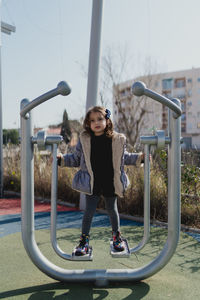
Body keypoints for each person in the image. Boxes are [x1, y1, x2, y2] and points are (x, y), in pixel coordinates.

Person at [57, 106, 144, 256]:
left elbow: (125, 158)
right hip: (92, 182)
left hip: (111, 180)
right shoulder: (85, 139)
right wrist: (62, 159)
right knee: (89, 211)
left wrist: (139, 158)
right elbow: (77, 159)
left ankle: (117, 237)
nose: (96, 122)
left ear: (107, 120)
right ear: (87, 123)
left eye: (100, 119)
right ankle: (83, 241)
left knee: (112, 209)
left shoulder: (117, 139)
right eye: (92, 120)